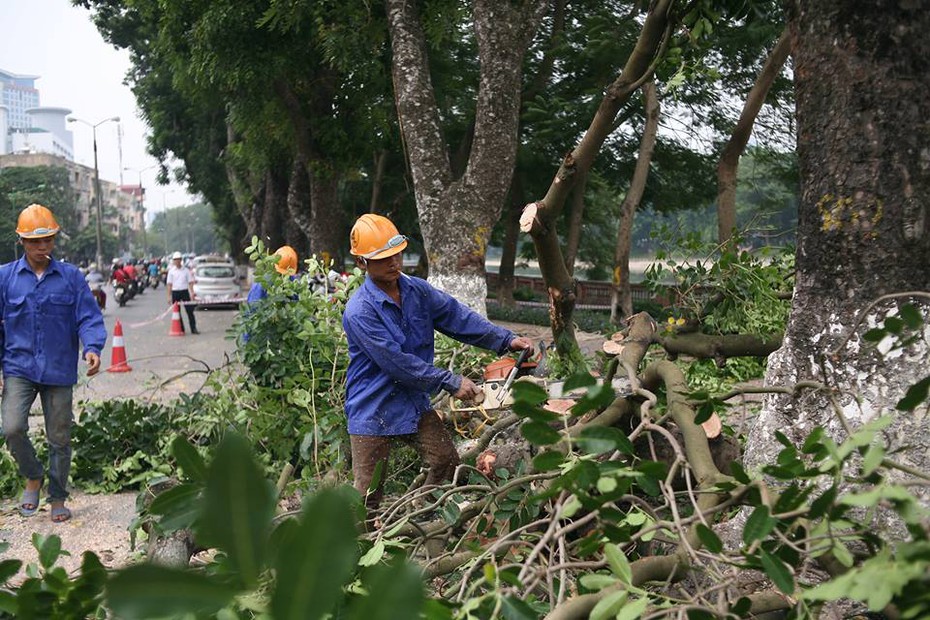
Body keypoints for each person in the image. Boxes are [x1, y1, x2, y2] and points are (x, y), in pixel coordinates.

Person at [342, 214, 533, 512]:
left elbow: (458, 317)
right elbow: (397, 363)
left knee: (446, 462)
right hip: (372, 406)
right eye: (383, 259)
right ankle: (358, 549)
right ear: (362, 263)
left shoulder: (417, 290)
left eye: (397, 255)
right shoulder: (360, 311)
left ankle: (420, 519)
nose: (394, 263)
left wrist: (505, 340)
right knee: (368, 493)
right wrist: (450, 381)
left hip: (412, 401)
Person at [0, 204, 107, 522]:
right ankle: (33, 476)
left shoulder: (71, 278)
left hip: (58, 369)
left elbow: (88, 316)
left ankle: (57, 496)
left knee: (59, 436)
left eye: (47, 239)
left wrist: (93, 347)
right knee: (12, 428)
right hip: (18, 366)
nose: (42, 246)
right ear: (22, 241)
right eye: (35, 241)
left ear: (54, 239)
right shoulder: (5, 278)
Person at [166, 250, 198, 334]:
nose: (177, 261)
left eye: (178, 259)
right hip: (175, 292)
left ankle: (193, 328)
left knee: (189, 311)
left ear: (181, 260)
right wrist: (169, 296)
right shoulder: (171, 271)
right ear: (173, 261)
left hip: (184, 291)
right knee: (177, 312)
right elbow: (169, 284)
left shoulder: (186, 270)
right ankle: (181, 329)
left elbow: (190, 282)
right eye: (175, 260)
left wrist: (192, 293)